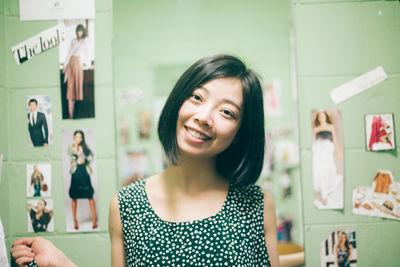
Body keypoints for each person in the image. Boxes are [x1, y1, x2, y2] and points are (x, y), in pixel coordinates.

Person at [11, 54, 279, 266]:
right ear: (177, 102)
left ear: (241, 132)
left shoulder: (257, 204)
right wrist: (61, 263)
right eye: (196, 97)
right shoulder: (126, 205)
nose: (205, 116)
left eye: (226, 112)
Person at [312, 110, 343, 209]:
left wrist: (339, 152)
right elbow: (314, 142)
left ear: (325, 117)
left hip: (328, 153)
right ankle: (323, 194)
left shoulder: (331, 127)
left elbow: (335, 141)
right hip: (319, 154)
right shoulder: (316, 129)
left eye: (323, 116)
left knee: (329, 171)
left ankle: (328, 192)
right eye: (320, 116)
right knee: (321, 172)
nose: (322, 118)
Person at [68, 130, 97, 230]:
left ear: (82, 138)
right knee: (74, 196)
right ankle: (74, 220)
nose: (78, 139)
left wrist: (85, 159)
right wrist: (75, 148)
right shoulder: (71, 148)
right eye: (76, 137)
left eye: (80, 137)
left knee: (90, 195)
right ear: (74, 138)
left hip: (84, 171)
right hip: (76, 172)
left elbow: (91, 157)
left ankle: (94, 220)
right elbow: (71, 161)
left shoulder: (85, 147)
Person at [62, 24, 90, 119]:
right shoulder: (73, 41)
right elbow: (69, 53)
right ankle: (70, 115)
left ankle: (74, 115)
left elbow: (86, 53)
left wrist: (87, 63)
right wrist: (65, 65)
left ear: (83, 31)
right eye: (78, 31)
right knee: (70, 91)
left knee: (77, 91)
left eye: (81, 31)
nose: (79, 32)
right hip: (71, 64)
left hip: (78, 64)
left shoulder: (85, 40)